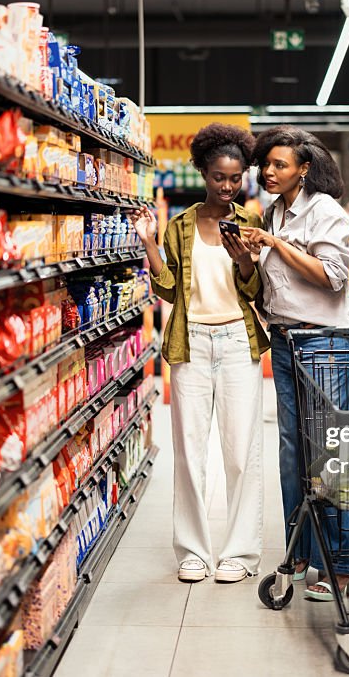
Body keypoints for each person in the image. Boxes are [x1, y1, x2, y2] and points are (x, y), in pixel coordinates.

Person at [131, 123, 269, 583]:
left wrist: (245, 259)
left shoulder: (252, 224)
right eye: (218, 177)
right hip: (190, 344)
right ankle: (192, 551)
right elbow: (168, 288)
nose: (227, 186)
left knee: (241, 450)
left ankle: (241, 554)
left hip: (237, 343)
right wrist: (150, 242)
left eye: (235, 178)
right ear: (202, 173)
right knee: (189, 451)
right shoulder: (181, 225)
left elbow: (255, 290)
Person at [242, 126, 349, 602]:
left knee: (326, 453)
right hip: (287, 338)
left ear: (304, 169)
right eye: (266, 165)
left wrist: (275, 246)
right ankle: (299, 554)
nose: (268, 172)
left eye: (279, 165)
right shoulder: (274, 212)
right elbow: (277, 284)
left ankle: (344, 563)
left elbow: (332, 278)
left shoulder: (324, 212)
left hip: (325, 343)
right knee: (293, 453)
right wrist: (248, 255)